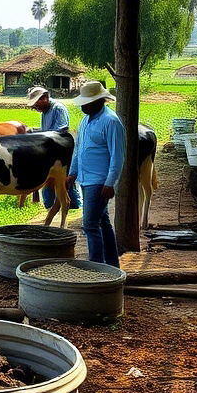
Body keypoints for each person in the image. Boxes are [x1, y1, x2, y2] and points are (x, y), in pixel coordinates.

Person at [66, 80, 125, 267]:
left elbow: (117, 156)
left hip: (99, 181)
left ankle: (96, 266)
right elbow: (78, 150)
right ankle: (111, 264)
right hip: (85, 179)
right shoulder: (85, 121)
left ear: (99, 101)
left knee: (90, 224)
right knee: (103, 222)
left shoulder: (111, 121)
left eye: (87, 102)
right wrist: (72, 173)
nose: (83, 105)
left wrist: (110, 183)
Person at [27, 85, 80, 209]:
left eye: (36, 103)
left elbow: (60, 131)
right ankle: (50, 207)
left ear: (45, 98)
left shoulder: (58, 108)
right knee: (48, 182)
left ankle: (75, 206)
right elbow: (46, 130)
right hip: (49, 154)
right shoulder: (45, 112)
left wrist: (38, 134)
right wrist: (33, 131)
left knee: (66, 182)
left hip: (61, 154)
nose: (35, 106)